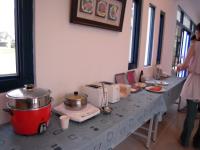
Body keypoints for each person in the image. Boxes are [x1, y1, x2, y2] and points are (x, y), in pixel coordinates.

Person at [177, 23, 200, 149]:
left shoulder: (195, 45)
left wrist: (178, 68)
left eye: (196, 32)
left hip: (194, 82)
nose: (196, 34)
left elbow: (185, 64)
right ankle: (197, 143)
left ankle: (185, 141)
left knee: (191, 115)